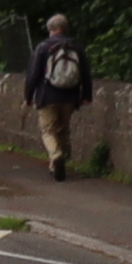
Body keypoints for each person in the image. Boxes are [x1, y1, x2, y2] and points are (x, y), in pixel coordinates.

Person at [25, 13, 96, 177]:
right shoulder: (77, 47)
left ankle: (56, 155)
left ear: (51, 29)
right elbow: (85, 73)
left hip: (47, 95)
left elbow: (33, 74)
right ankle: (55, 166)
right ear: (65, 28)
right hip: (70, 96)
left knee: (48, 131)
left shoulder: (43, 47)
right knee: (62, 130)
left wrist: (28, 96)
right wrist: (87, 95)